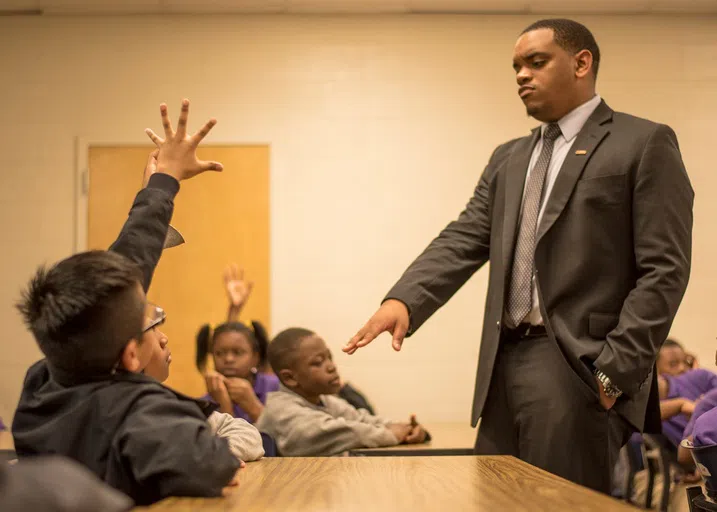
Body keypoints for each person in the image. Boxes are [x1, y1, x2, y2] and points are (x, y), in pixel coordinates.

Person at [344, 18, 693, 493]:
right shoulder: (508, 157)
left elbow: (664, 270)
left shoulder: (642, 142)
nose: (521, 76)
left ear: (581, 63)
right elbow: (465, 236)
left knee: (557, 504)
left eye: (536, 62)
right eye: (516, 67)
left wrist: (614, 374)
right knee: (496, 497)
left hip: (578, 366)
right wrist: (403, 301)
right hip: (502, 361)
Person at [12, 100, 242, 505]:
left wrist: (162, 184)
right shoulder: (142, 412)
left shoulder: (42, 383)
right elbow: (214, 462)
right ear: (133, 356)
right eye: (151, 315)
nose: (155, 314)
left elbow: (128, 263)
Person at [256, 327, 429, 456]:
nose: (331, 366)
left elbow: (361, 419)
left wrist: (407, 430)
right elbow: (343, 432)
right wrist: (391, 434)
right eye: (318, 362)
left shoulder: (324, 400)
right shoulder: (281, 410)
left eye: (329, 357)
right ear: (290, 378)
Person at [142, 303, 265, 462]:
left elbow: (252, 438)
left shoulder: (273, 387)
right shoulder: (204, 399)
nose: (228, 359)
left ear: (256, 357)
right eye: (152, 329)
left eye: (238, 353)